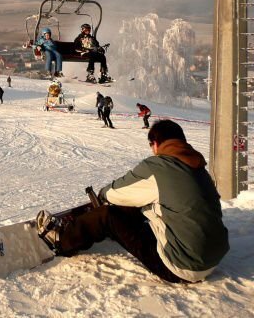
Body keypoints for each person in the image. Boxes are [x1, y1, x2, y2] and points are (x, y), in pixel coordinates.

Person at [36, 120, 230, 284]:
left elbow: (117, 192)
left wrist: (102, 198)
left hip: (182, 266)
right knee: (147, 204)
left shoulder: (159, 166)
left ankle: (61, 241)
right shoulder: (199, 169)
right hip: (212, 259)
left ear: (156, 144)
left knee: (107, 215)